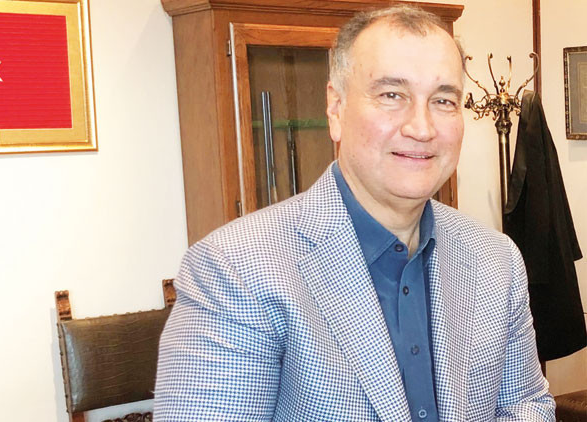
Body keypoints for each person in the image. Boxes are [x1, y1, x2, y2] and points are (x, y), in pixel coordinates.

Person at [154, 5, 555, 421]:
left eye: (443, 100)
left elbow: (527, 405)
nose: (422, 128)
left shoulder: (495, 259)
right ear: (336, 109)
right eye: (392, 95)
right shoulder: (235, 270)